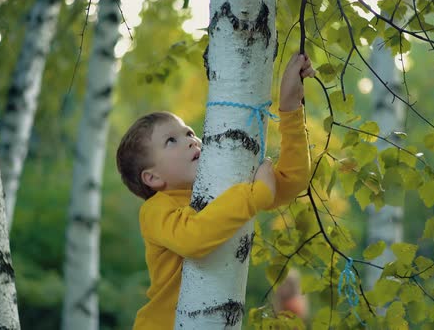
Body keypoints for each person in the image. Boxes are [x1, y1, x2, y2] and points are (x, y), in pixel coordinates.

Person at [116, 53, 315, 330]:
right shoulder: (155, 210)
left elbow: (292, 181)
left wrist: (291, 110)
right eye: (171, 140)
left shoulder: (220, 187)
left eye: (188, 133)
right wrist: (255, 195)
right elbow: (193, 238)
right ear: (153, 177)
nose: (190, 141)